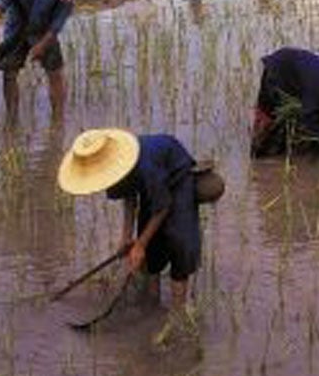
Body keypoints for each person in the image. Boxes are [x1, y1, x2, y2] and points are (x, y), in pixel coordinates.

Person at [57, 129, 223, 311]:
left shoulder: (145, 166)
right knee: (152, 249)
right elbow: (129, 196)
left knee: (179, 241)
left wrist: (140, 244)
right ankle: (151, 303)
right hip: (152, 184)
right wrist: (127, 236)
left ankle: (179, 311)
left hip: (177, 176)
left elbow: (163, 207)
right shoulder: (115, 171)